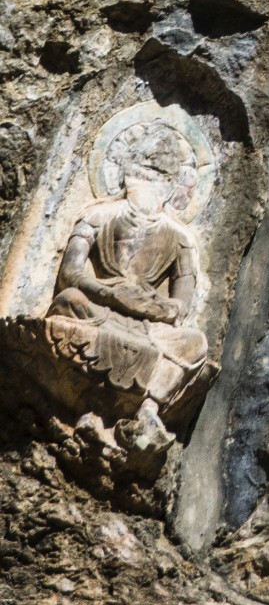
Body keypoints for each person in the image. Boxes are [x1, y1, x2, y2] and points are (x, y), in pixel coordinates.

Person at [44, 122, 211, 438]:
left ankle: (148, 411)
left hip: (149, 325)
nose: (151, 182)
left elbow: (181, 306)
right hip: (100, 307)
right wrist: (111, 293)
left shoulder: (180, 238)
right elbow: (71, 273)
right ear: (125, 172)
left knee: (195, 342)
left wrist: (150, 304)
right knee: (69, 302)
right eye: (144, 172)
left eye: (161, 177)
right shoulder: (98, 215)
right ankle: (90, 403)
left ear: (175, 186)